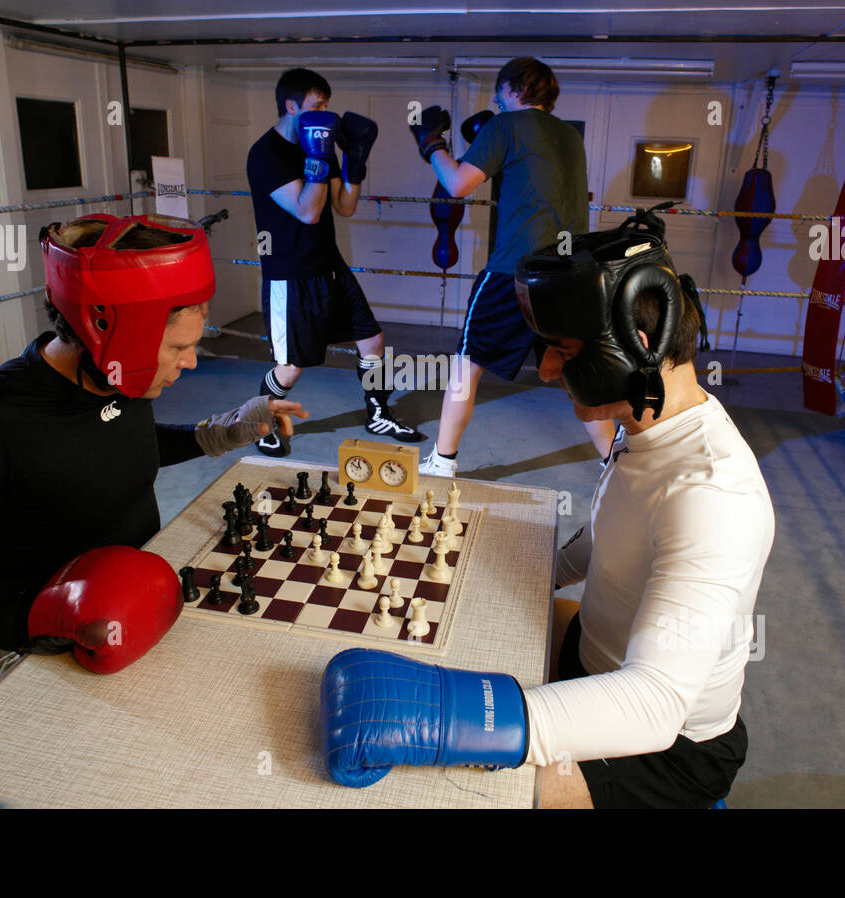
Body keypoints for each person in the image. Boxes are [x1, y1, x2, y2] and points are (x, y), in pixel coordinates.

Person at [320, 210, 775, 808]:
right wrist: (487, 567)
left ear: (639, 344)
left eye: (563, 349)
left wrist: (452, 719)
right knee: (450, 626)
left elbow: (655, 703)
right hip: (593, 650)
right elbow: (606, 545)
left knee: (468, 794)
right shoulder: (650, 430)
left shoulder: (714, 496)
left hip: (667, 747)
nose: (547, 370)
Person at [0, 214, 306, 700]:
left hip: (147, 612)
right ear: (114, 332)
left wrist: (219, 432)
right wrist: (37, 614)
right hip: (45, 654)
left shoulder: (117, 376)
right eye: (179, 346)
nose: (191, 362)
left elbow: (116, 448)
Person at [409, 56, 613, 477]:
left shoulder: (505, 126)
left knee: (468, 362)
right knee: (575, 371)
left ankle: (442, 462)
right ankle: (614, 459)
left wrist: (434, 145)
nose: (496, 100)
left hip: (513, 271)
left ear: (515, 89)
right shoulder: (571, 136)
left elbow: (457, 184)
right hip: (569, 272)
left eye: (500, 91)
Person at [245, 67, 421, 456]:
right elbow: (307, 211)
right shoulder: (267, 154)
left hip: (331, 266)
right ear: (291, 105)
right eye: (316, 105)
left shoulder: (318, 142)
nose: (325, 113)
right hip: (291, 274)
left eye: (326, 105)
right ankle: (261, 422)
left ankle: (377, 412)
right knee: (292, 365)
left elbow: (344, 206)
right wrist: (320, 159)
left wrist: (355, 162)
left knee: (372, 340)